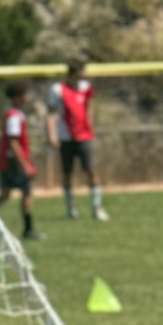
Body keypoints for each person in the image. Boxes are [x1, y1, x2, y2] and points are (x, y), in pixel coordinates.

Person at [46, 58, 109, 222]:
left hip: (84, 136)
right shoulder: (58, 90)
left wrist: (91, 126)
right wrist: (52, 134)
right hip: (66, 137)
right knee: (67, 174)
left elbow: (89, 108)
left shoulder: (85, 88)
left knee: (91, 171)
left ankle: (97, 207)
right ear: (74, 73)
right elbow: (52, 113)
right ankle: (71, 209)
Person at [0, 83, 39, 242]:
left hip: (12, 161)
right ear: (17, 97)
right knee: (21, 192)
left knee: (8, 194)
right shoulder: (13, 116)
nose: (27, 98)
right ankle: (28, 229)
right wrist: (25, 165)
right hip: (13, 162)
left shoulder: (16, 114)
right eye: (25, 95)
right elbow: (13, 142)